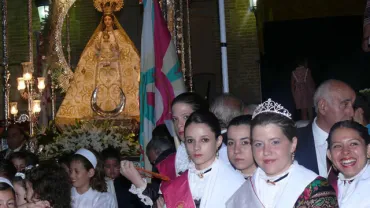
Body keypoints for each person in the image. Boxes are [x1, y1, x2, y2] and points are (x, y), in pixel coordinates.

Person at [226, 99, 338, 207]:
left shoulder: (317, 190)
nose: (266, 152)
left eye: (275, 142)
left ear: (293, 144)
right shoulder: (245, 188)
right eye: (258, 144)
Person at [56, 1, 140, 127]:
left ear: (113, 21)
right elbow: (91, 52)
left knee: (117, 85)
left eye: (109, 20)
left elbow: (126, 51)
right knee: (97, 84)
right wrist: (93, 60)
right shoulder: (99, 36)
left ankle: (122, 110)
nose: (107, 22)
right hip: (101, 67)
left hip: (115, 68)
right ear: (103, 21)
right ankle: (96, 111)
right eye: (105, 19)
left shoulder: (118, 35)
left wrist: (117, 54)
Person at [159, 111, 244, 208]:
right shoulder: (177, 185)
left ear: (218, 141)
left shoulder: (235, 183)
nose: (196, 147)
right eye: (190, 141)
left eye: (204, 140)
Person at [296, 79, 356, 177]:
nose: (352, 112)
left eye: (352, 106)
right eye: (345, 104)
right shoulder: (292, 142)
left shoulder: (361, 141)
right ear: (323, 106)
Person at [327, 120, 370, 207]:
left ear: (368, 150)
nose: (345, 151)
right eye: (337, 146)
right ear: (330, 155)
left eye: (353, 144)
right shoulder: (326, 189)